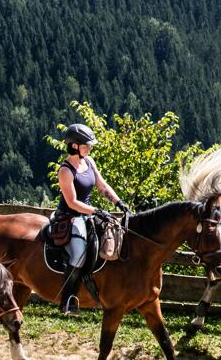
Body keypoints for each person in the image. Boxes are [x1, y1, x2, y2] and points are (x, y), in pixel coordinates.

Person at [54, 123, 125, 314]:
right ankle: (67, 299)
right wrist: (95, 211)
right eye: (86, 145)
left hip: (88, 215)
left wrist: (119, 203)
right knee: (78, 254)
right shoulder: (65, 171)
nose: (90, 148)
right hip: (70, 217)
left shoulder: (89, 162)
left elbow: (102, 186)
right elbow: (72, 202)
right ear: (74, 146)